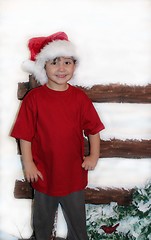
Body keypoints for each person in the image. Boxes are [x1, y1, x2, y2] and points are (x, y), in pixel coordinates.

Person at [10, 32, 105, 240]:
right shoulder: (34, 99)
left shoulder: (80, 99)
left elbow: (94, 130)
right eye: (54, 62)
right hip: (43, 175)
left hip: (73, 176)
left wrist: (93, 156)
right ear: (44, 66)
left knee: (78, 226)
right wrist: (29, 164)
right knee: (42, 225)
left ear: (74, 66)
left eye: (67, 62)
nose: (61, 68)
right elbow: (24, 135)